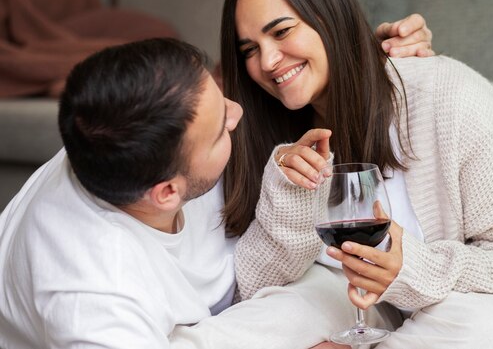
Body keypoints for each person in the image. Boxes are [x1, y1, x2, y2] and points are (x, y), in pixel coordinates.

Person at [212, 0, 493, 349]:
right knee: (281, 312)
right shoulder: (269, 139)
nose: (268, 61)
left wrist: (407, 269)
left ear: (329, 17)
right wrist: (290, 197)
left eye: (282, 31)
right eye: (250, 50)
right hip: (359, 313)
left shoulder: (450, 95)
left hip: (476, 310)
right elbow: (252, 290)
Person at [0, 37, 432, 347]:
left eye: (220, 96)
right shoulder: (92, 294)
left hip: (229, 319)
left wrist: (375, 56)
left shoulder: (125, 129)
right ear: (167, 191)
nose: (237, 113)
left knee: (324, 290)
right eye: (218, 129)